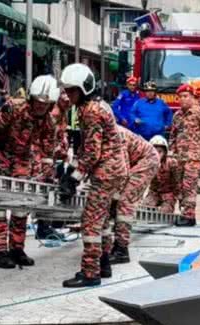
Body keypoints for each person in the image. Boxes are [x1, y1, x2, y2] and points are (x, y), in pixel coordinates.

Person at [59, 63, 130, 287]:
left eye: (72, 90)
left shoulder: (90, 111)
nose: (67, 95)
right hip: (114, 169)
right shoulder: (97, 106)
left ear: (84, 89)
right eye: (66, 90)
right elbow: (86, 148)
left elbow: (92, 151)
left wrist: (73, 178)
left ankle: (91, 273)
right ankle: (104, 263)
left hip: (106, 172)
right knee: (103, 220)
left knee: (90, 222)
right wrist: (74, 169)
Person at [0, 75, 59, 270]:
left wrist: (47, 172)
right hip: (1, 156)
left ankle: (17, 249)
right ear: (31, 98)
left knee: (21, 203)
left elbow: (47, 151)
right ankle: (1, 251)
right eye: (37, 102)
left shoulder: (48, 122)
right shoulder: (14, 107)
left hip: (23, 160)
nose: (40, 107)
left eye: (45, 105)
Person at [106, 131, 160, 265]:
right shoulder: (101, 133)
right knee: (117, 199)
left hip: (147, 161)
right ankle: (115, 245)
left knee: (125, 202)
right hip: (136, 162)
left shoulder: (116, 135)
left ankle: (121, 250)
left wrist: (116, 196)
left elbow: (122, 171)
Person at [169, 84, 200, 227]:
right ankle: (184, 212)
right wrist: (170, 154)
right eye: (180, 97)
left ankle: (189, 215)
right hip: (179, 157)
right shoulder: (177, 115)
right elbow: (173, 136)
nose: (182, 99)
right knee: (179, 186)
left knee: (189, 185)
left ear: (193, 97)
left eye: (185, 96)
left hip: (194, 156)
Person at [144, 135, 179, 213]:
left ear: (165, 152)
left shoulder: (171, 163)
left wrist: (178, 197)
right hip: (154, 193)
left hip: (168, 193)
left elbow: (178, 181)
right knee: (145, 209)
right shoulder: (147, 163)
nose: (157, 154)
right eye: (155, 152)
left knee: (164, 213)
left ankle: (168, 205)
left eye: (160, 152)